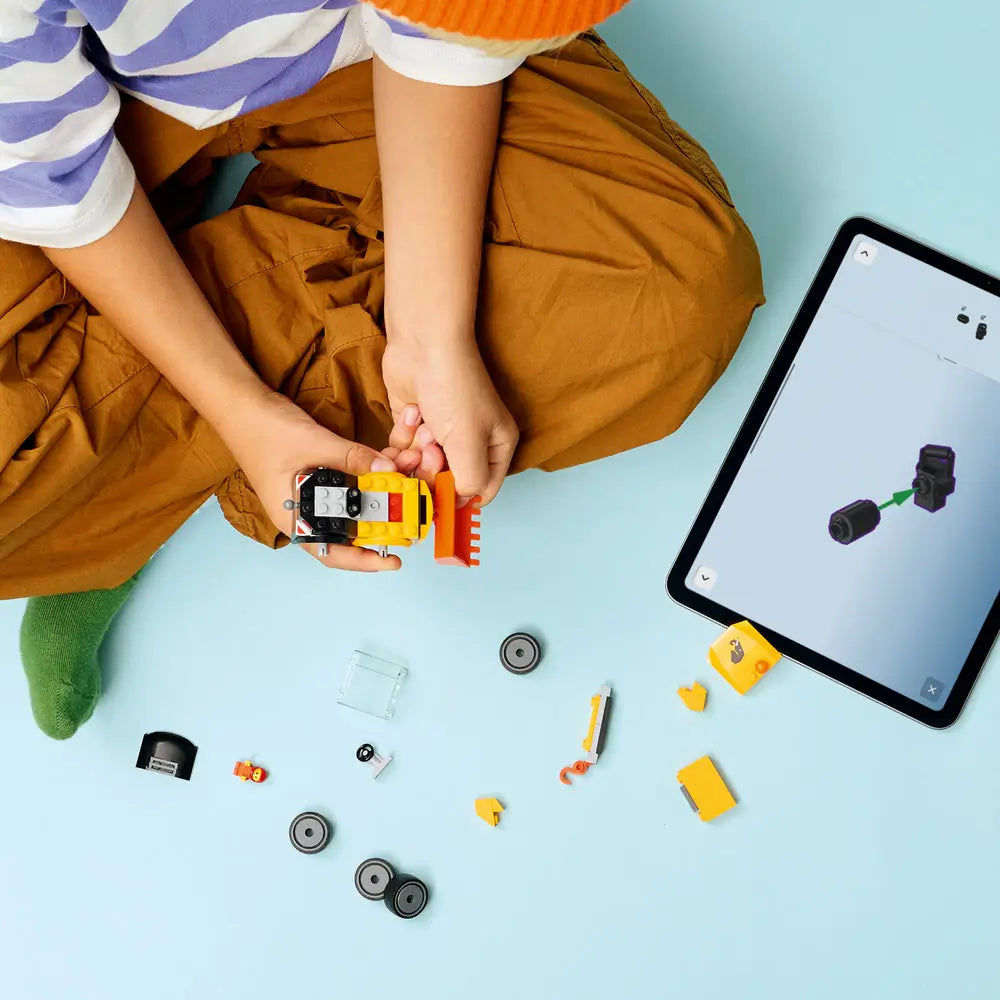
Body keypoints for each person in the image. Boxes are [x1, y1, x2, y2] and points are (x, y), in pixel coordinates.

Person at [0, 0, 765, 738]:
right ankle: (141, 500)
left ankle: (127, 496)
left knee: (674, 298)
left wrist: (430, 334)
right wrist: (239, 410)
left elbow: (447, 27)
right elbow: (52, 185)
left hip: (352, 52)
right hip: (44, 137)